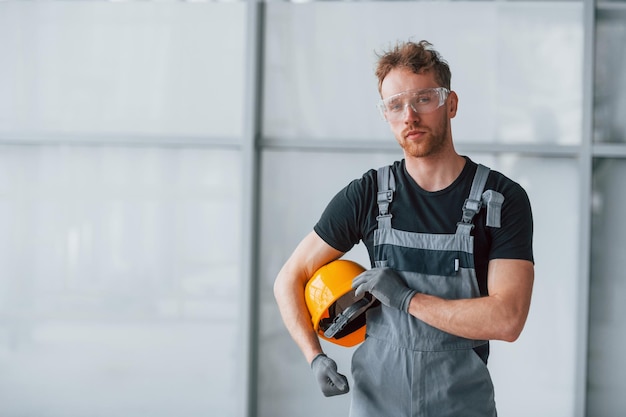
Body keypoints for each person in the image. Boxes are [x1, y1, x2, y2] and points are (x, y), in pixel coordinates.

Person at [273, 39, 534, 417]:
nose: (409, 116)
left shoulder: (500, 199)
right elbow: (289, 278)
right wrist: (314, 356)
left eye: (424, 99)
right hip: (376, 404)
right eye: (395, 105)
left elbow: (507, 319)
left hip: (461, 406)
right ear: (386, 115)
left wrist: (407, 299)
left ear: (451, 103)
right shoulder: (368, 195)